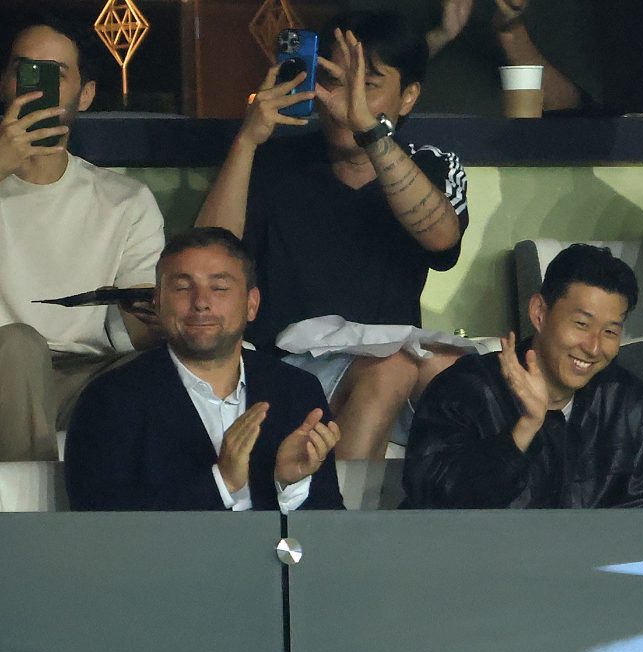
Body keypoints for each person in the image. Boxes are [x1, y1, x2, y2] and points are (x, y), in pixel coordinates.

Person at [195, 10, 468, 461]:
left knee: (471, 376)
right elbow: (206, 257)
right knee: (391, 369)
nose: (344, 98)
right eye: (333, 79)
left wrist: (370, 132)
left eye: (368, 83)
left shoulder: (431, 166)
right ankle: (343, 528)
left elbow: (441, 238)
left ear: (409, 96)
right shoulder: (273, 164)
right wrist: (246, 141)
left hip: (388, 357)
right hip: (289, 367)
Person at [65, 228, 344, 511]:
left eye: (219, 288)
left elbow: (330, 527)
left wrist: (291, 485)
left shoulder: (295, 390)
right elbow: (99, 524)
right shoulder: (110, 398)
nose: (200, 302)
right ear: (158, 302)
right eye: (183, 288)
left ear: (251, 304)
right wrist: (220, 482)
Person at [0, 13, 165, 462]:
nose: (35, 88)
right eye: (24, 70)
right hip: (5, 366)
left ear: (86, 95)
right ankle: (23, 525)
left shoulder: (123, 200)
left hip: (85, 372)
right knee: (18, 346)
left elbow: (140, 326)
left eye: (54, 75)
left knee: (168, 369)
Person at [404, 244, 643, 508]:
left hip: (591, 555)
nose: (593, 347)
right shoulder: (465, 389)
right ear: (539, 313)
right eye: (581, 324)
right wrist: (524, 430)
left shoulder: (623, 399)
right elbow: (432, 502)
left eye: (610, 332)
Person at [420, 0, 600, 114]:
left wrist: (511, 31)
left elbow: (568, 110)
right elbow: (393, 73)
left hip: (516, 159)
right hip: (418, 147)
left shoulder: (562, 9)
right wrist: (441, 34)